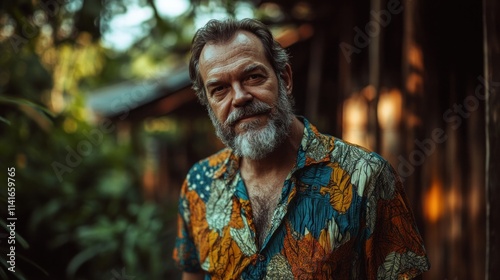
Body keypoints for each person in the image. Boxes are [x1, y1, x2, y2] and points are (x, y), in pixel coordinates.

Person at [173, 18, 430, 280]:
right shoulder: (199, 184)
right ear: (209, 104)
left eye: (252, 76)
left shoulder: (366, 177)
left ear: (284, 79)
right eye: (220, 89)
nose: (239, 97)